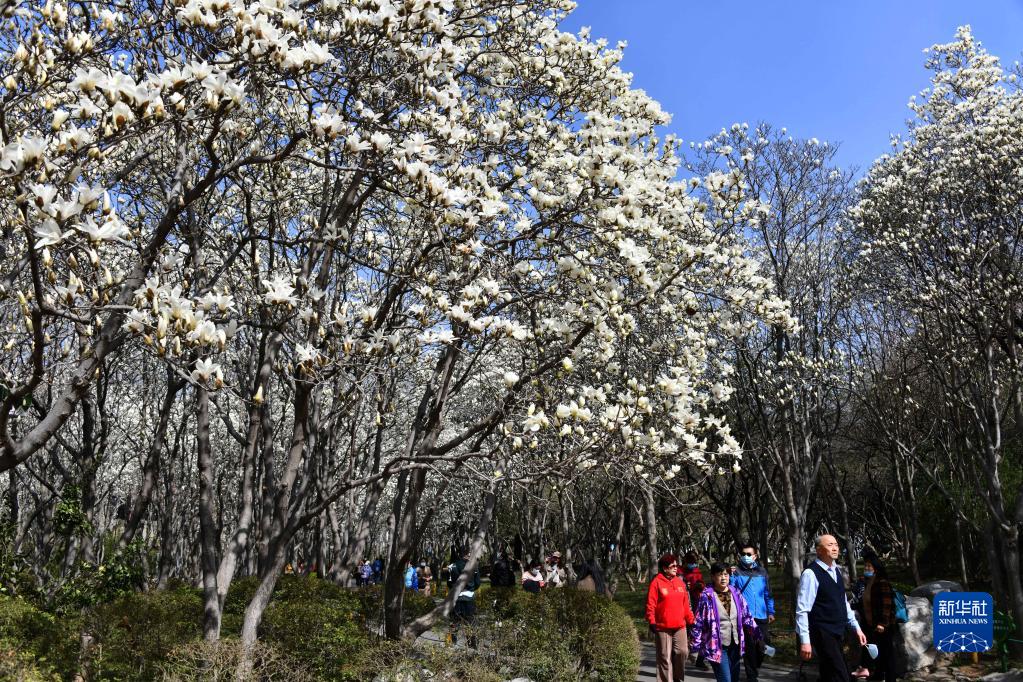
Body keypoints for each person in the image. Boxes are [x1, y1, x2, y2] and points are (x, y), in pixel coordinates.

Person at [796, 534, 868, 682]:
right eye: (829, 545)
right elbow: (802, 610)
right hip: (823, 632)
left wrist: (856, 627)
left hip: (838, 631)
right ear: (819, 550)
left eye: (836, 544)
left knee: (829, 673)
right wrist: (805, 641)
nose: (835, 548)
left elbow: (843, 602)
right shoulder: (811, 574)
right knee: (842, 675)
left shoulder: (837, 571)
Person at [691, 563, 761, 682]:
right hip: (717, 646)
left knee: (734, 678)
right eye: (719, 575)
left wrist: (756, 633)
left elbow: (746, 615)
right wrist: (695, 646)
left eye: (726, 574)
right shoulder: (707, 596)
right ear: (713, 577)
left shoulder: (735, 592)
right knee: (725, 679)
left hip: (735, 643)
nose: (723, 578)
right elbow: (698, 622)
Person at [646, 553, 695, 682]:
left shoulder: (680, 582)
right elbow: (650, 604)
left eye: (676, 565)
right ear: (664, 568)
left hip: (680, 626)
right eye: (672, 566)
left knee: (682, 652)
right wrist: (652, 621)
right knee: (665, 657)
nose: (676, 568)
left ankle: (678, 679)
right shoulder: (656, 582)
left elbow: (686, 605)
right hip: (662, 627)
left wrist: (691, 620)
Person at [731, 542, 775, 682]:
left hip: (761, 615)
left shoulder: (762, 572)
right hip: (745, 617)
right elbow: (731, 591)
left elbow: (768, 593)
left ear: (755, 556)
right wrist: (730, 575)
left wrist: (771, 611)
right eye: (743, 554)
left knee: (764, 643)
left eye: (748, 554)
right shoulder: (736, 572)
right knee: (750, 646)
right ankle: (751, 676)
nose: (745, 556)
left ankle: (754, 668)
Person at [851, 551, 897, 681]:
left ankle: (890, 678)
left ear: (876, 567)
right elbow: (864, 602)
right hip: (871, 624)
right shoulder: (868, 582)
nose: (866, 569)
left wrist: (882, 623)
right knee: (877, 653)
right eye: (865, 566)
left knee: (887, 654)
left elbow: (886, 604)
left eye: (869, 566)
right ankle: (878, 674)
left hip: (882, 625)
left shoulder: (881, 582)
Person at [447, 550, 481, 646]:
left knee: (454, 621)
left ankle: (452, 643)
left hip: (455, 597)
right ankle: (471, 644)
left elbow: (449, 583)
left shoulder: (452, 566)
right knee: (470, 622)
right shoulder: (473, 566)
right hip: (468, 597)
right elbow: (477, 583)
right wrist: (471, 588)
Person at [680, 552, 707, 670]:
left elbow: (702, 586)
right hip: (682, 606)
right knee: (685, 633)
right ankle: (681, 658)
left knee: (700, 632)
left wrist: (699, 586)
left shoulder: (697, 572)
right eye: (690, 562)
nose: (692, 565)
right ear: (684, 561)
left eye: (694, 562)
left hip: (697, 605)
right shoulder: (679, 572)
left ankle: (699, 660)